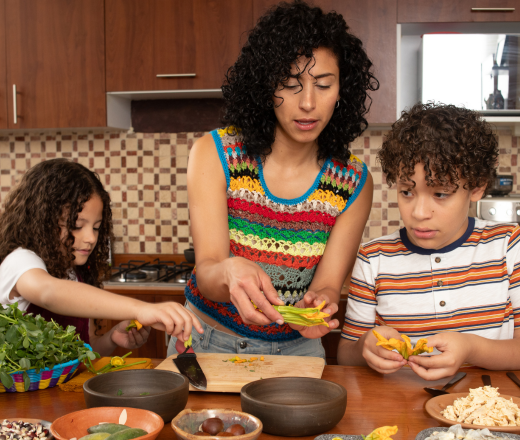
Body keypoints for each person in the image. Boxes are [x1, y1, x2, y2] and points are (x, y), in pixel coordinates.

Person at [167, 0, 376, 358]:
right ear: (266, 86)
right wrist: (229, 272)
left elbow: (327, 284)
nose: (308, 103)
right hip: (205, 343)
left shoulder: (352, 181)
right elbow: (208, 272)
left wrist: (319, 305)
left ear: (342, 91)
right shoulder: (215, 154)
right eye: (291, 84)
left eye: (323, 86)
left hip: (297, 351)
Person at [337, 102, 520, 380]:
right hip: (400, 409)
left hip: (490, 408)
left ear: (477, 186)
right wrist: (366, 347)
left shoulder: (509, 246)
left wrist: (470, 349)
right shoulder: (373, 258)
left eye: (441, 194)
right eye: (407, 192)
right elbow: (346, 355)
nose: (419, 213)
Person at [0, 158, 203, 356]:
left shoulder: (74, 273)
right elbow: (48, 293)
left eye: (96, 227)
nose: (90, 238)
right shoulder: (20, 261)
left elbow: (86, 352)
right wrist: (142, 309)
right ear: (42, 221)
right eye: (77, 226)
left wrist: (111, 338)